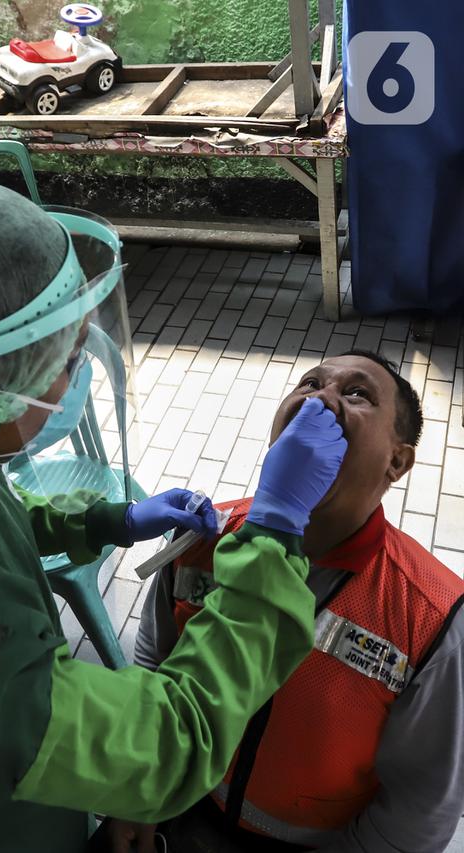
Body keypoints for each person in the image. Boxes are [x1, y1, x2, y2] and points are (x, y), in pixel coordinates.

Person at [0, 175, 348, 853]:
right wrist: (275, 526)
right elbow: (169, 742)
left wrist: (110, 520)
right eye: (65, 359)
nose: (80, 374)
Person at [132, 350, 464, 853]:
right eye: (309, 382)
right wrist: (134, 797)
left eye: (357, 394)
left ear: (397, 460)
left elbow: (419, 809)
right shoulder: (204, 535)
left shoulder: (431, 615)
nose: (321, 397)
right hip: (175, 808)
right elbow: (151, 666)